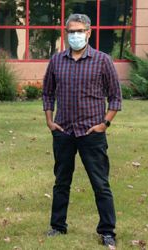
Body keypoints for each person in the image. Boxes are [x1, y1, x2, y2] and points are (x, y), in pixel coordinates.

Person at [42, 13, 122, 249]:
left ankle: (107, 231)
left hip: (92, 133)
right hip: (64, 132)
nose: (75, 35)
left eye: (79, 31)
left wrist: (104, 124)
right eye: (71, 31)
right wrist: (49, 120)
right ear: (66, 33)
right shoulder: (57, 61)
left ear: (89, 32)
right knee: (61, 182)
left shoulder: (102, 60)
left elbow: (115, 97)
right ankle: (58, 226)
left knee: (100, 184)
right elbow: (47, 93)